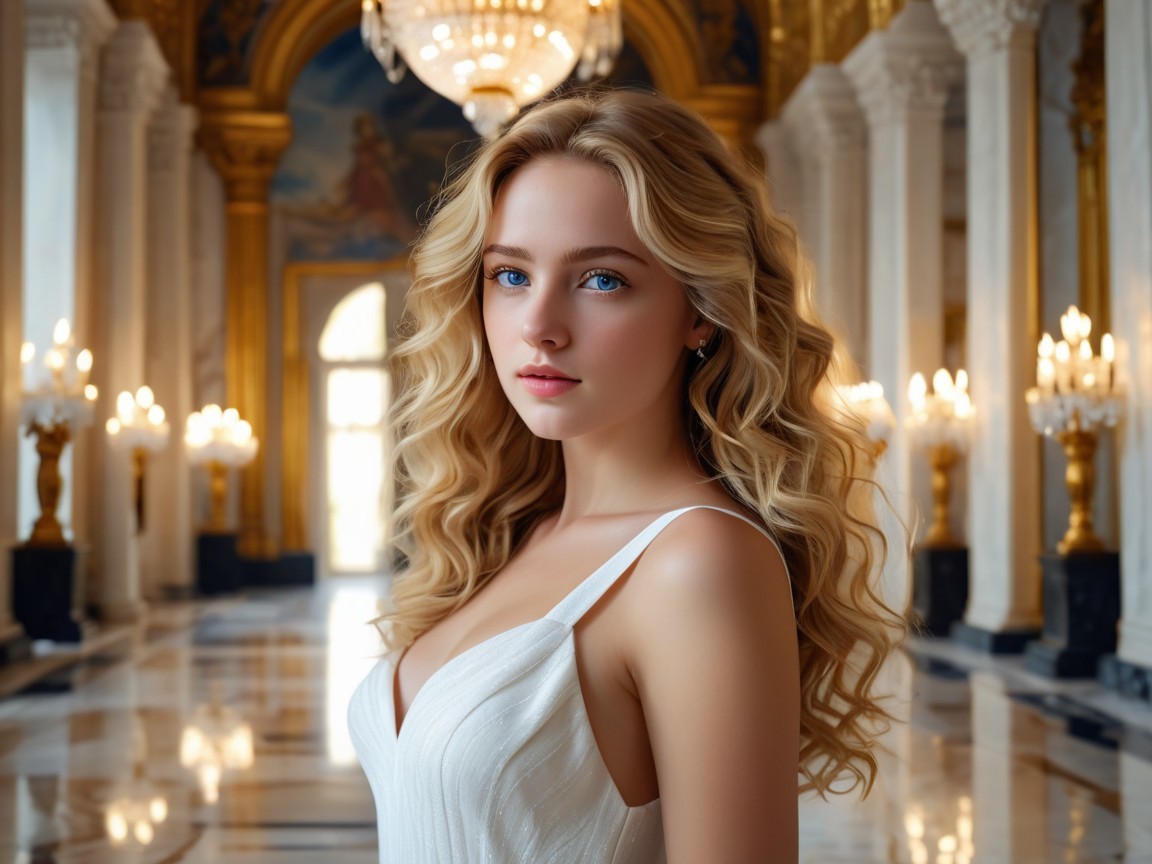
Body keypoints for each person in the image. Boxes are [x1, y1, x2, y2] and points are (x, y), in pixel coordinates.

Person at [348, 86, 903, 863]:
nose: (539, 326)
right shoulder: (513, 534)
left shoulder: (697, 562)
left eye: (601, 279)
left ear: (700, 309)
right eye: (511, 276)